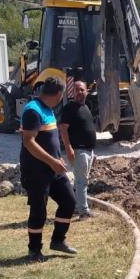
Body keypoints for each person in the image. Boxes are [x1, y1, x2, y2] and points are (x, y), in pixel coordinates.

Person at [20, 77, 77, 262]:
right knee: (39, 210)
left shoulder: (48, 109)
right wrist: (52, 161)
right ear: (59, 94)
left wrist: (57, 156)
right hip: (36, 171)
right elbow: (28, 142)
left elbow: (49, 138)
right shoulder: (32, 110)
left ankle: (58, 241)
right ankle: (34, 250)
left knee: (69, 200)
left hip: (53, 169)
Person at [60, 80, 97, 220]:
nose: (80, 92)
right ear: (72, 92)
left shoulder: (85, 107)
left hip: (88, 151)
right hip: (79, 150)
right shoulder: (70, 108)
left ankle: (76, 207)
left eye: (82, 89)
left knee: (79, 181)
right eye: (77, 90)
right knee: (82, 182)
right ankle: (84, 212)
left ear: (86, 91)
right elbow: (63, 128)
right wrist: (69, 148)